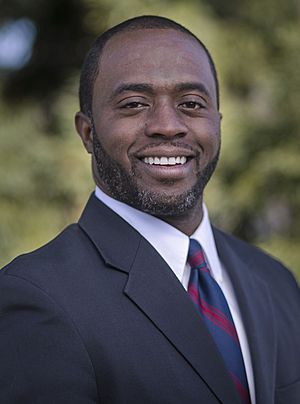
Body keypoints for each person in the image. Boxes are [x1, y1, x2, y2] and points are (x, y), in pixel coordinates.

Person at [0, 15, 299, 404]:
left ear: (217, 124)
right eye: (134, 104)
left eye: (191, 104)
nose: (167, 125)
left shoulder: (274, 280)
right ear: (87, 133)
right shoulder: (34, 298)